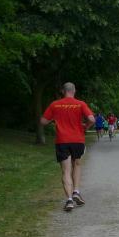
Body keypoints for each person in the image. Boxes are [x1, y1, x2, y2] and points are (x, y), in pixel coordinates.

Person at [40, 82, 95, 212]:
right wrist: (85, 127)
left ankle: (69, 200)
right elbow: (92, 119)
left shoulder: (55, 104)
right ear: (74, 91)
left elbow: (42, 121)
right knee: (77, 165)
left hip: (62, 141)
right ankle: (76, 191)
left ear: (62, 91)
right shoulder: (80, 104)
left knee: (66, 170)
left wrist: (53, 119)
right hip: (77, 140)